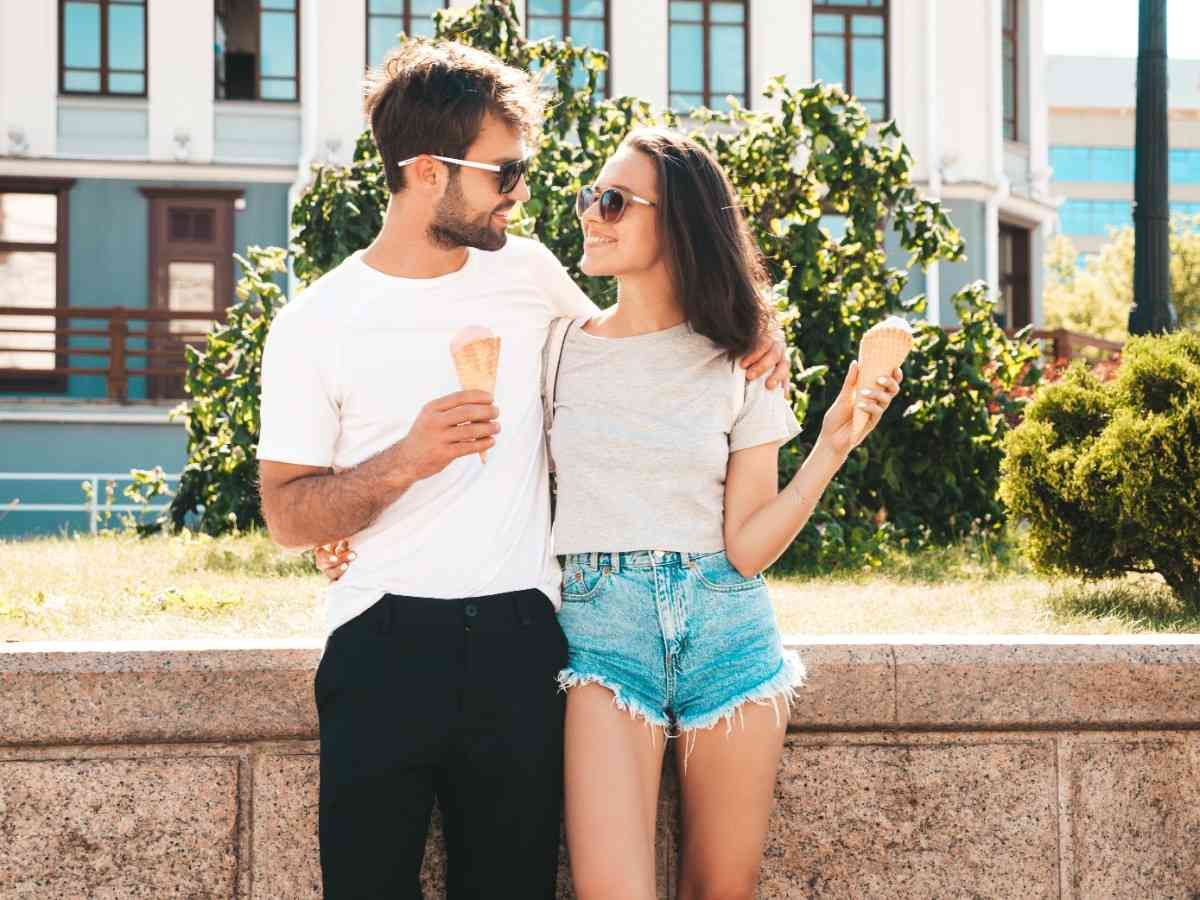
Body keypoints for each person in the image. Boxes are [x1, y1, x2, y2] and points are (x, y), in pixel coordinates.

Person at [257, 41, 788, 899]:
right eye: (505, 173)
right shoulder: (316, 322)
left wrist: (755, 333)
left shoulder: (532, 274)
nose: (523, 192)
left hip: (524, 641)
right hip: (378, 642)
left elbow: (647, 352)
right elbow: (288, 515)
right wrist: (400, 465)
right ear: (428, 170)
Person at [319, 123, 903, 898]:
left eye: (617, 201)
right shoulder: (556, 341)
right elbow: (435, 403)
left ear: (683, 222)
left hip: (728, 629)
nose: (592, 213)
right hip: (600, 636)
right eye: (592, 196)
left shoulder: (740, 356)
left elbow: (750, 545)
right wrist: (346, 521)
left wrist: (833, 444)